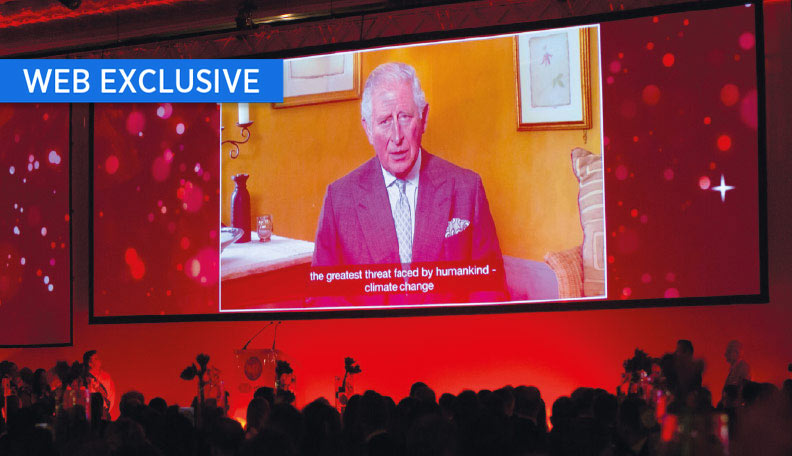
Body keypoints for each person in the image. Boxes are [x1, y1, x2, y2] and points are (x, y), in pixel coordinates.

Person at [311, 62, 506, 303]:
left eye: (404, 117)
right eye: (384, 121)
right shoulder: (338, 198)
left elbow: (490, 290)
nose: (397, 137)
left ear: (423, 118)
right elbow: (322, 297)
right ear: (368, 129)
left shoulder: (468, 188)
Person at [83, 350, 116, 418]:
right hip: (89, 414)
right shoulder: (83, 378)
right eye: (95, 359)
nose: (99, 360)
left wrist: (106, 411)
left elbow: (111, 394)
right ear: (90, 363)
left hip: (103, 413)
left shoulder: (106, 377)